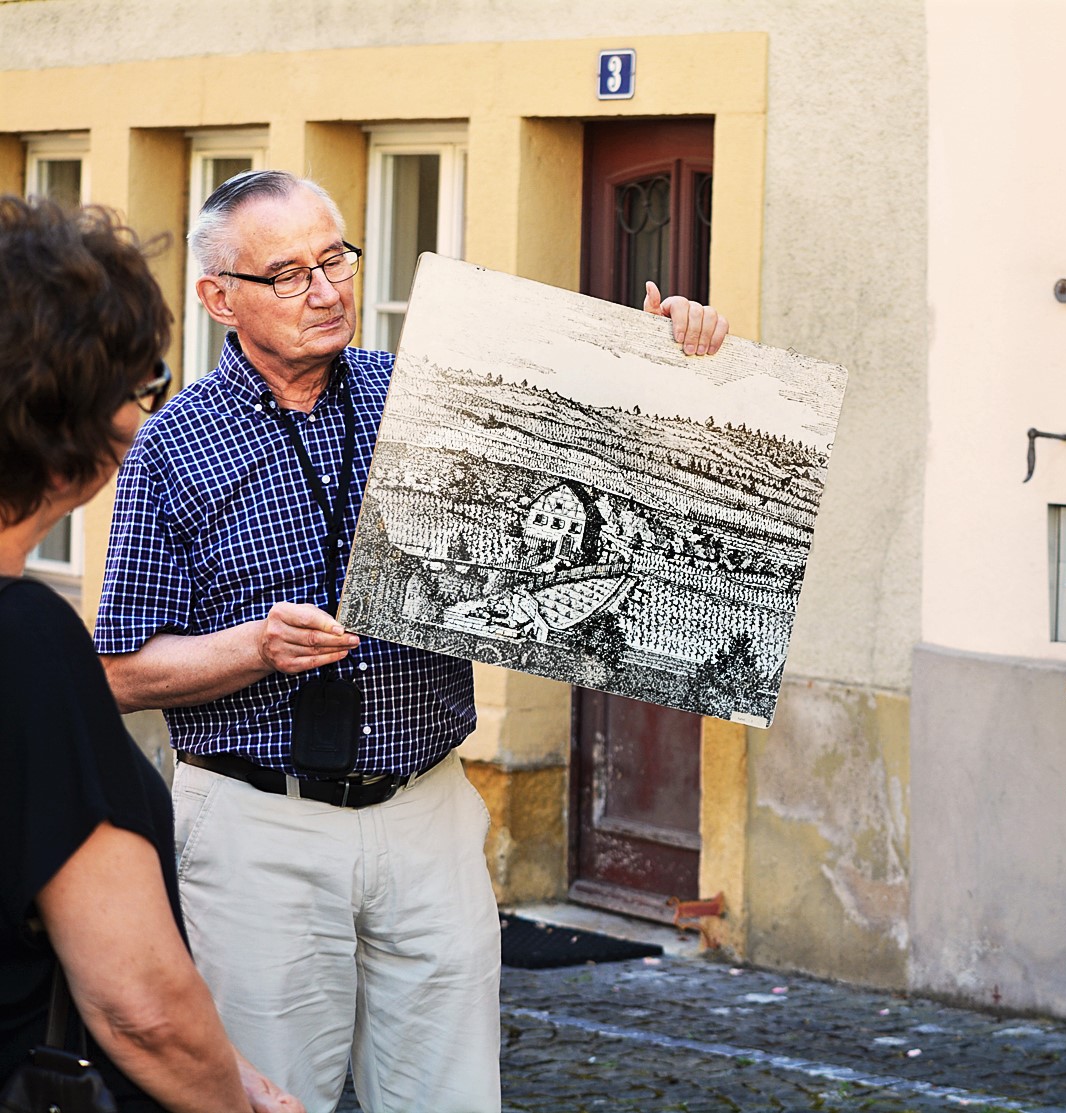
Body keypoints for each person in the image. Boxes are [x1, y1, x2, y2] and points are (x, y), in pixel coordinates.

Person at [94, 169, 727, 1112]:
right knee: (267, 1101)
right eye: (289, 274)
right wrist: (253, 647)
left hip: (428, 813)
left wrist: (670, 358)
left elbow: (604, 472)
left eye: (336, 259)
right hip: (259, 830)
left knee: (451, 1098)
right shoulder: (172, 446)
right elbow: (119, 672)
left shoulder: (424, 399)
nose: (327, 289)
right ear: (218, 296)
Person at [0, 196, 300, 1113]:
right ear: (65, 435)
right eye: (134, 391)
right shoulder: (25, 644)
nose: (143, 423)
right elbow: (141, 1006)